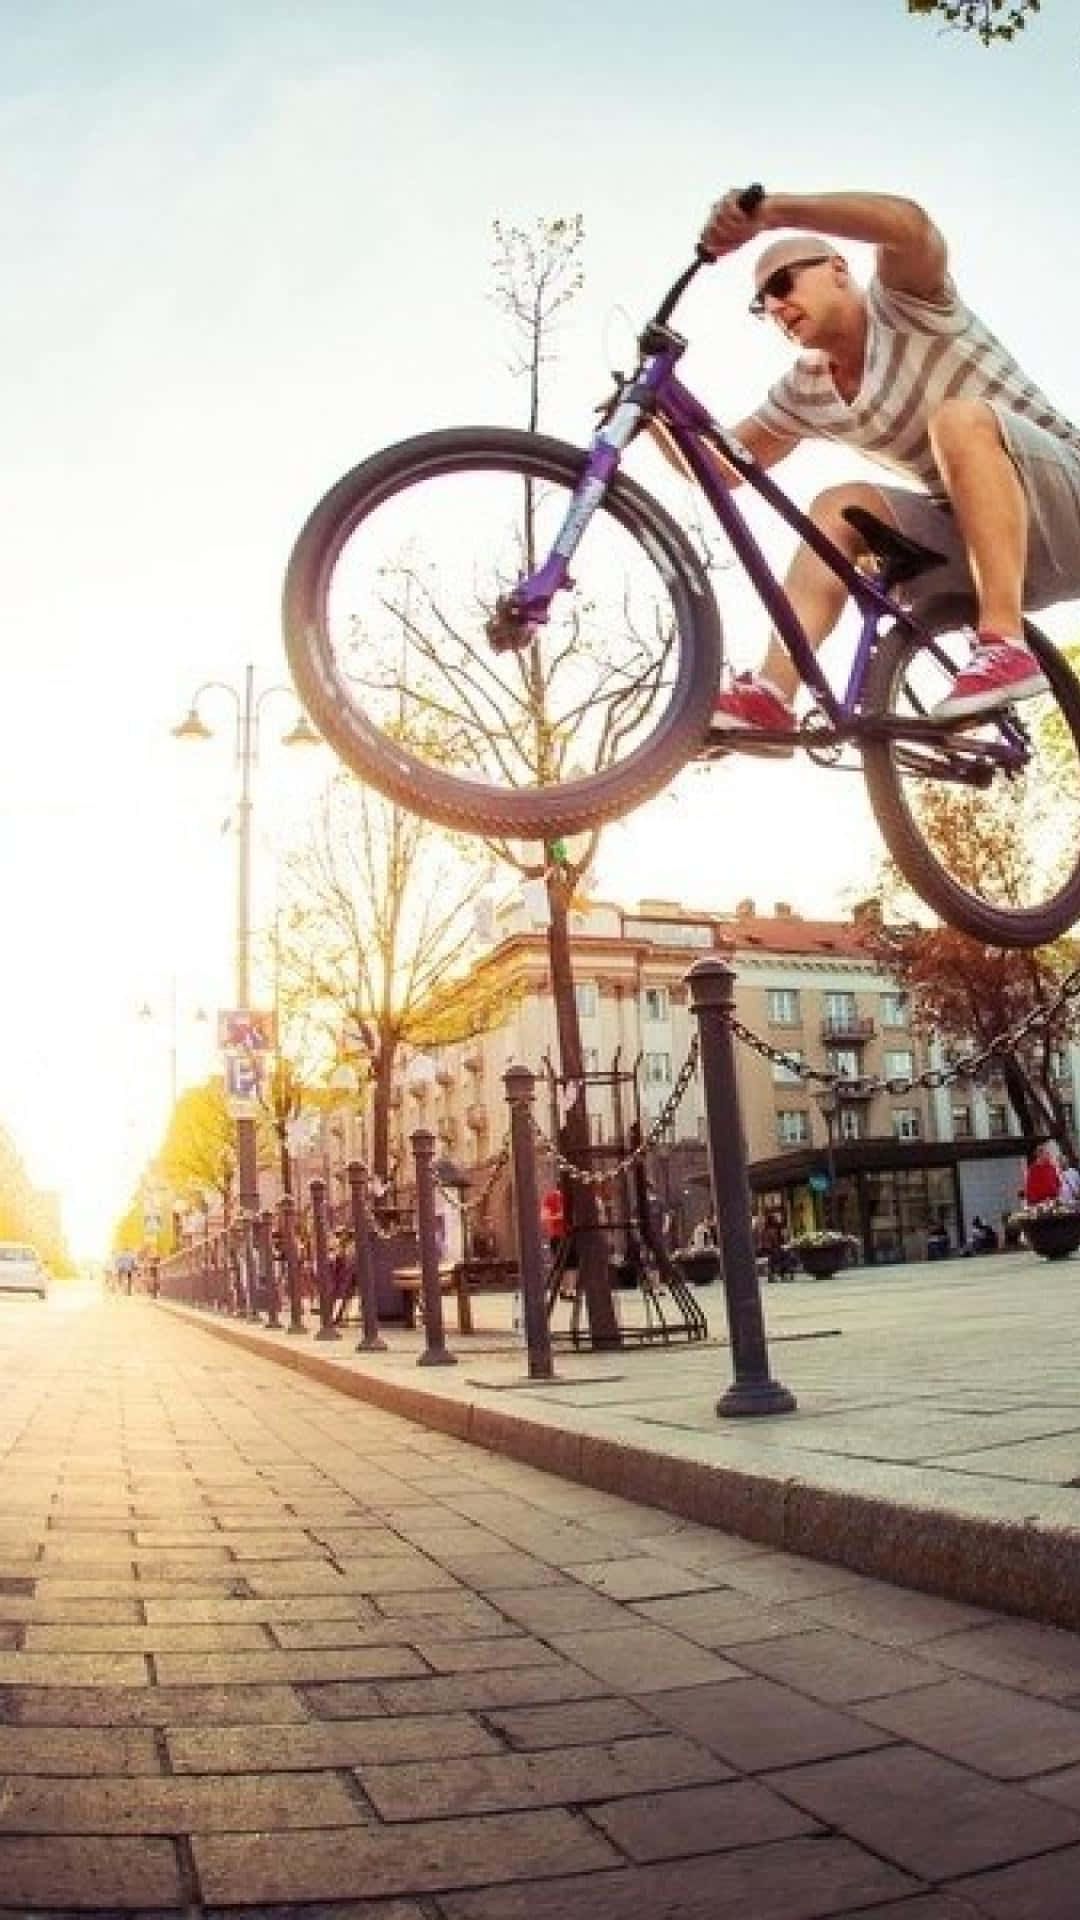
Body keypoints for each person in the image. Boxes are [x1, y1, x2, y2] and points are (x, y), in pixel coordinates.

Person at [698, 186, 1080, 749]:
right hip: (989, 547)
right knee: (836, 508)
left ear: (836, 269)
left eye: (781, 284)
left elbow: (908, 224)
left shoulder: (907, 302)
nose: (775, 307)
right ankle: (772, 695)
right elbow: (723, 466)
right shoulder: (805, 390)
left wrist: (772, 213)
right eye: (762, 304)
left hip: (1065, 500)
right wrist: (645, 410)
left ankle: (1004, 642)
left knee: (956, 420)